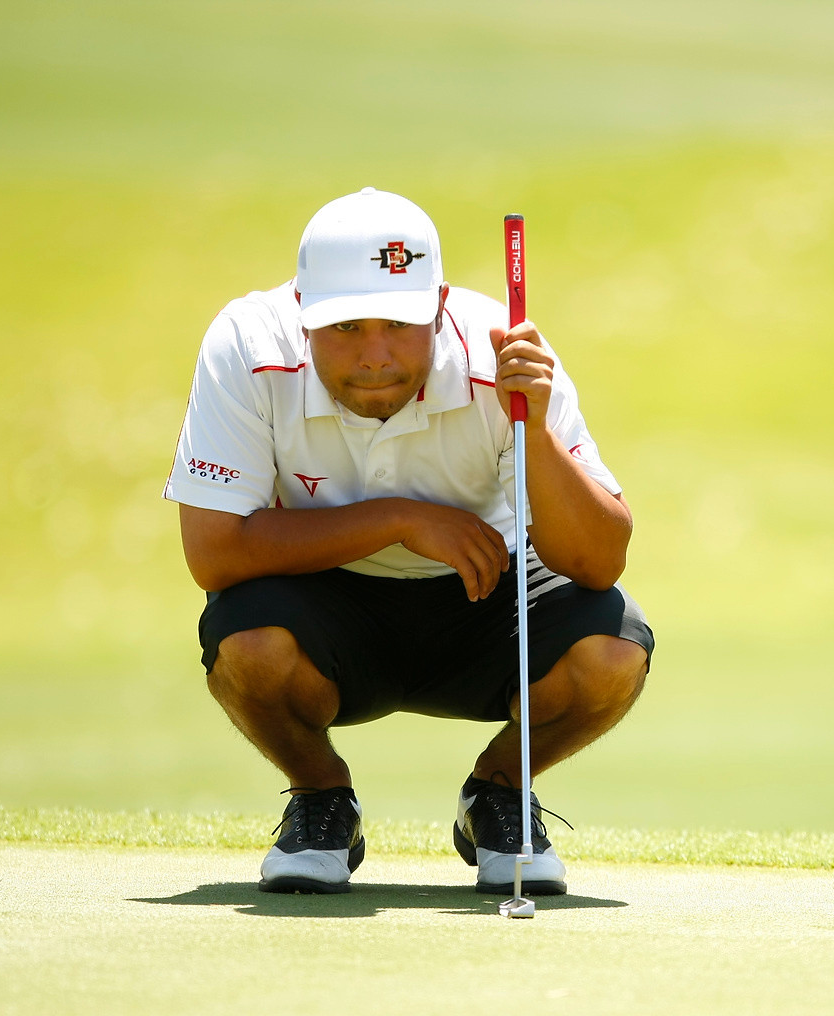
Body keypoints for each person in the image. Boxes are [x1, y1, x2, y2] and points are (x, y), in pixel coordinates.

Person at [164, 187, 653, 895]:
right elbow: (213, 551)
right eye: (344, 327)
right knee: (248, 644)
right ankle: (321, 798)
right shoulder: (246, 344)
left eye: (398, 323)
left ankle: (498, 794)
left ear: (440, 306)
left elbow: (598, 561)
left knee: (613, 646)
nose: (375, 355)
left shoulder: (502, 352)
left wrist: (537, 427)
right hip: (322, 598)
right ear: (301, 310)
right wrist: (400, 519)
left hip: (485, 593)